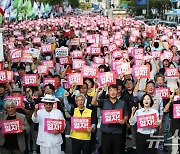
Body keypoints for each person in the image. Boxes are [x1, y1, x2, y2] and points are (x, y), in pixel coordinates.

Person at [91, 84, 128, 154]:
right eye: (111, 90)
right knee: (106, 151)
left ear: (118, 91)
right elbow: (93, 103)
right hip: (106, 132)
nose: (113, 92)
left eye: (114, 90)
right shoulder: (104, 102)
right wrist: (97, 92)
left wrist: (123, 120)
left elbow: (126, 115)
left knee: (117, 151)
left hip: (117, 132)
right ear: (108, 92)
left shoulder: (122, 103)